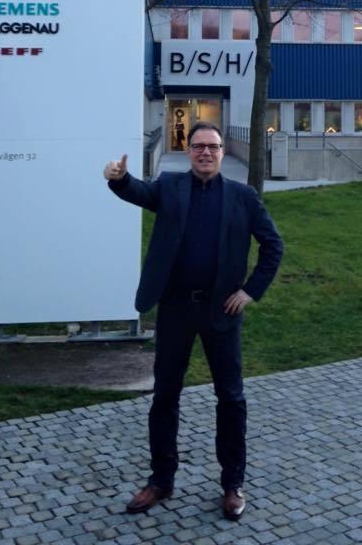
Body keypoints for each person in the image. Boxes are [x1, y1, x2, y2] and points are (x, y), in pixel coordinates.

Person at [103, 122, 283, 521]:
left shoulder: (243, 197)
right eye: (199, 146)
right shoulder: (170, 187)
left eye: (213, 147)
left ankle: (232, 484)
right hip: (175, 309)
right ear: (189, 151)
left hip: (222, 312)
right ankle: (161, 480)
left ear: (222, 152)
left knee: (231, 399)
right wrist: (119, 178)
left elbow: (273, 245)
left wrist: (250, 291)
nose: (206, 152)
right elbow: (138, 192)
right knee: (165, 397)